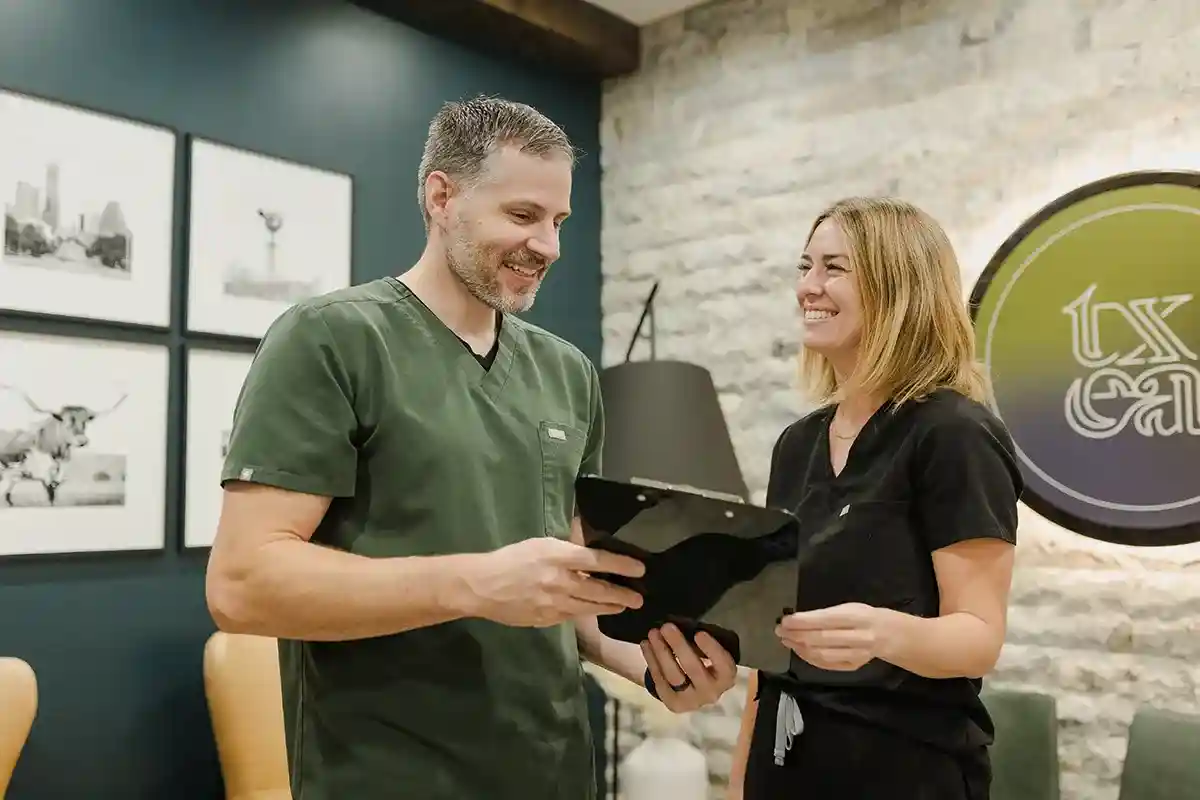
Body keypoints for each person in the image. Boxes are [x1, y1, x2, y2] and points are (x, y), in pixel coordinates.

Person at [204, 95, 739, 800]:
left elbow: (571, 599)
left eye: (558, 222)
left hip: (552, 774)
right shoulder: (330, 340)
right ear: (441, 197)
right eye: (522, 216)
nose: (547, 245)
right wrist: (477, 584)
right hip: (385, 778)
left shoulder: (567, 373)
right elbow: (242, 586)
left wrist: (654, 669)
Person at [726, 197, 1023, 800]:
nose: (808, 287)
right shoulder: (797, 445)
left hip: (904, 769)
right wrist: (738, 785)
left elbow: (979, 637)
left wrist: (884, 634)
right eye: (805, 266)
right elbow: (772, 647)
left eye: (834, 268)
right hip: (784, 765)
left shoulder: (953, 434)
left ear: (899, 288)